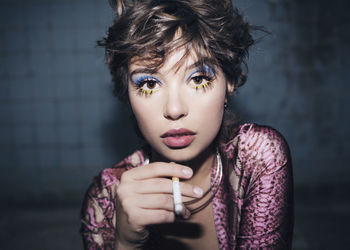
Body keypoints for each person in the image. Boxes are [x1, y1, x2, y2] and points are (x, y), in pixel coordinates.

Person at [80, 0, 294, 249]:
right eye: (149, 84)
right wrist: (126, 243)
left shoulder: (256, 156)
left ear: (230, 82)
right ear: (127, 93)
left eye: (199, 78)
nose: (174, 109)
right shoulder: (104, 201)